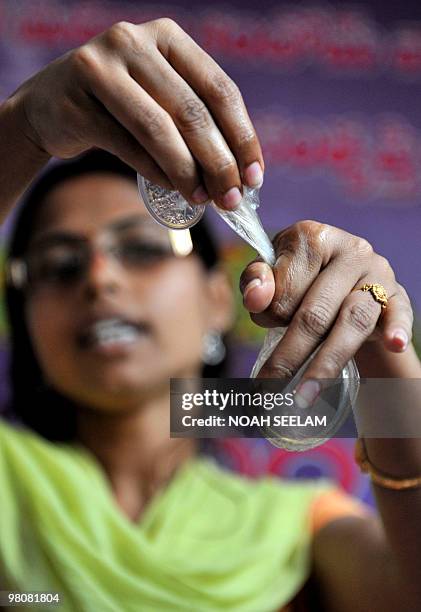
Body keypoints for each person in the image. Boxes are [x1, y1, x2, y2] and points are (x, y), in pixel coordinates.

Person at [0, 17, 421, 612]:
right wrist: (21, 129)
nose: (99, 279)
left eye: (144, 249)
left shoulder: (290, 528)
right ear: (27, 318)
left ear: (217, 300)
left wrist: (385, 357)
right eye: (59, 266)